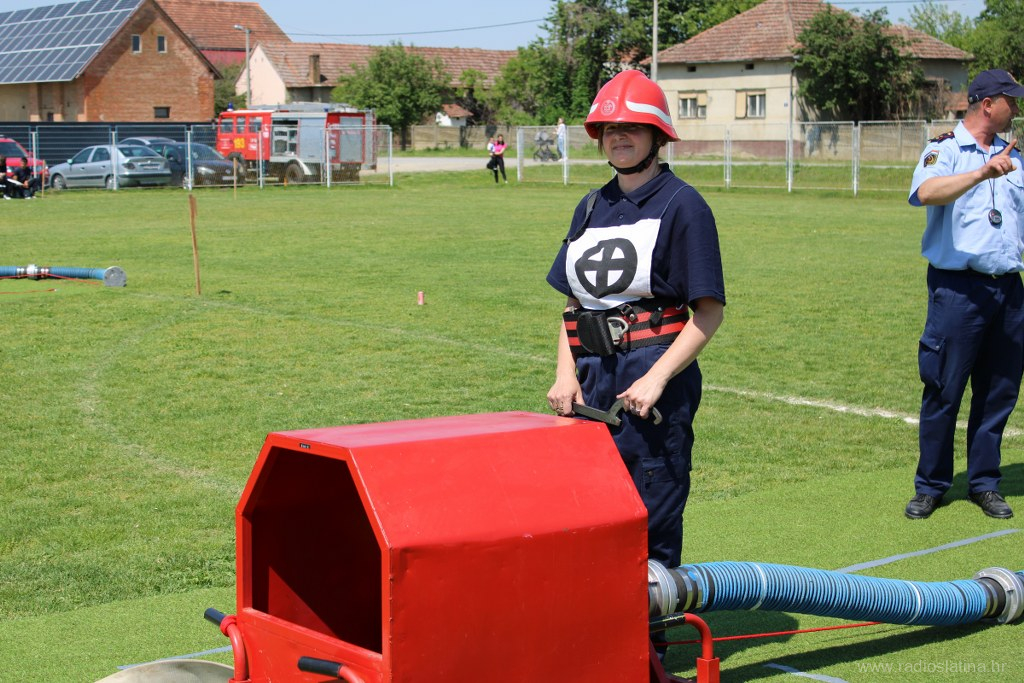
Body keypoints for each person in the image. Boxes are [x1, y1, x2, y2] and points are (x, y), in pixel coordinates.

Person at [546, 70, 726, 574]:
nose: (619, 137)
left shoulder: (683, 205)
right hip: (591, 378)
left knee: (651, 515)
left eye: (631, 127)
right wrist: (565, 375)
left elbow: (708, 312)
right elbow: (573, 303)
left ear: (657, 135)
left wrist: (657, 378)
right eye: (609, 128)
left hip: (649, 378)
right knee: (592, 509)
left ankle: (655, 624)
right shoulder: (590, 206)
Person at [905, 68, 1024, 521]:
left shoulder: (1016, 156)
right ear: (988, 104)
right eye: (1012, 100)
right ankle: (931, 486)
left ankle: (984, 483)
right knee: (943, 389)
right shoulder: (946, 149)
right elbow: (926, 192)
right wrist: (980, 172)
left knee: (999, 391)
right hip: (958, 290)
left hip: (1008, 290)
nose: (1017, 108)